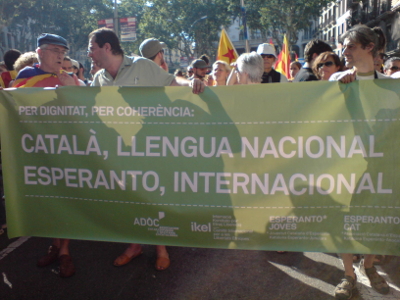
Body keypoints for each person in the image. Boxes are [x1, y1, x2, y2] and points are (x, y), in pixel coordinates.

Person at [87, 28, 204, 270]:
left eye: (92, 48)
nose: (89, 53)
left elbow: (172, 82)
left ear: (106, 47)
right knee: (128, 199)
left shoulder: (141, 65)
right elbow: (89, 107)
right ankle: (135, 245)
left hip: (149, 147)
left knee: (153, 195)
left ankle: (160, 247)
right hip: (119, 151)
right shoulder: (99, 79)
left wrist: (190, 82)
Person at [329, 24, 391, 299]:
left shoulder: (392, 87)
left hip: (380, 167)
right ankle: (348, 274)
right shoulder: (337, 82)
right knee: (344, 221)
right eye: (344, 47)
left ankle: (368, 267)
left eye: (350, 46)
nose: (345, 51)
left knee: (377, 220)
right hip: (345, 166)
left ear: (369, 47)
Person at [12, 33, 79, 278]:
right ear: (40, 52)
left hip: (66, 149)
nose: (61, 55)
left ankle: (64, 251)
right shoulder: (25, 76)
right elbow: (13, 107)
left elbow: (88, 110)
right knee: (50, 200)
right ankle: (55, 245)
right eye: (55, 50)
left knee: (67, 200)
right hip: (38, 149)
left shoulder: (70, 79)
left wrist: (72, 89)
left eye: (63, 51)